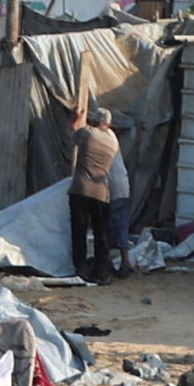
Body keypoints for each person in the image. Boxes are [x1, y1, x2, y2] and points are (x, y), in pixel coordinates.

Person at [70, 105, 128, 280]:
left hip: (81, 189)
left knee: (79, 231)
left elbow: (73, 132)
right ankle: (101, 272)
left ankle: (81, 269)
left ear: (95, 121)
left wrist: (77, 117)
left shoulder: (88, 133)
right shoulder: (113, 142)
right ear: (109, 125)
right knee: (100, 234)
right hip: (102, 193)